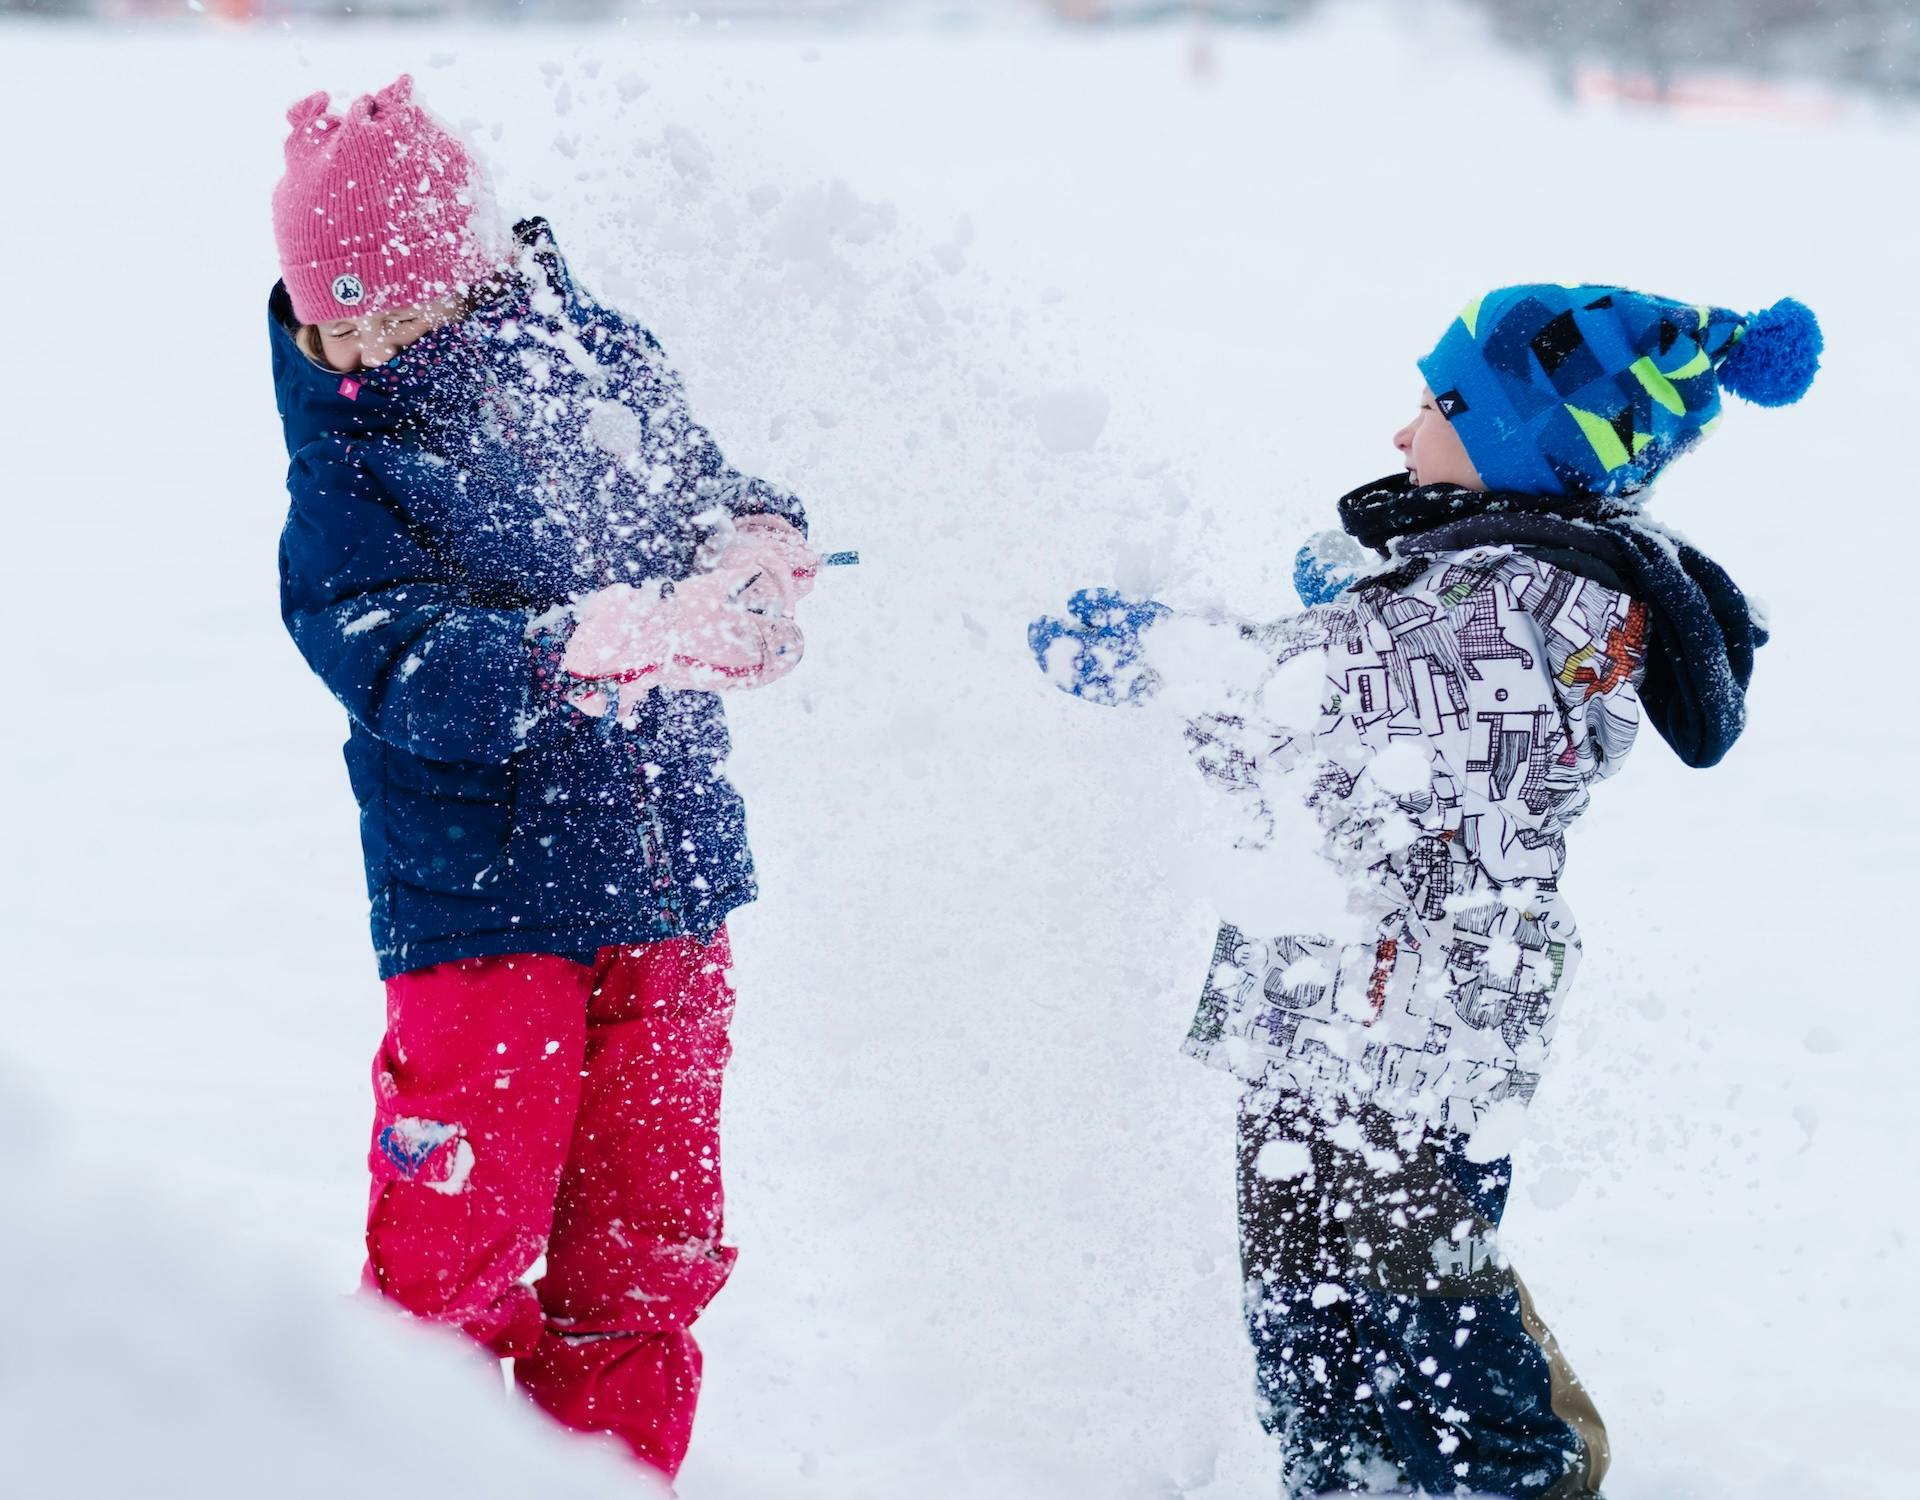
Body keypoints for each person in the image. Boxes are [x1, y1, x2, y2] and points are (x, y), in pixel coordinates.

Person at [1029, 284, 1820, 1497]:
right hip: (1331, 1020)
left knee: (1432, 1326)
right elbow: (1369, 689)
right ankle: (1341, 1478)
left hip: (1412, 1036)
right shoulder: (1491, 582)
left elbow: (1305, 710)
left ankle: (1523, 1477)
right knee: (1308, 1320)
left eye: (1436, 403)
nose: (1403, 433)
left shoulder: (1523, 600)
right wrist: (1366, 586)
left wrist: (1154, 651)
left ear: (1532, 435)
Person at [269, 74, 817, 1479]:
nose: (367, 346)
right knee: (456, 1258)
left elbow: (703, 485)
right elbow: (397, 664)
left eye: (399, 310)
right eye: (339, 320)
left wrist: (752, 549)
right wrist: (573, 647)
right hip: (483, 915)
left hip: (668, 884)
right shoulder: (347, 473)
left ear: (470, 278)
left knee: (645, 1251)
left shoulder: (605, 363)